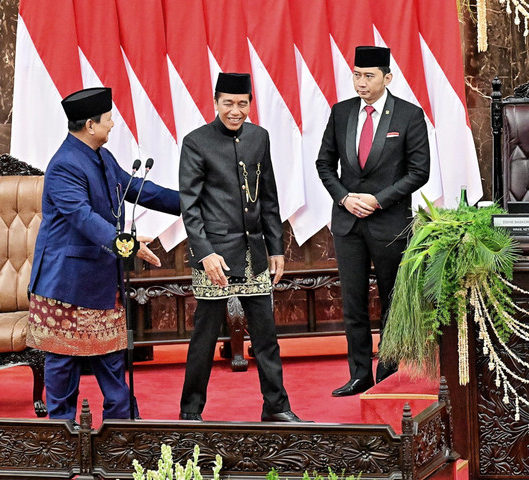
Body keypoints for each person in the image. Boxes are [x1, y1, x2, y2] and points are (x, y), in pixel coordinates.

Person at [27, 87, 180, 422]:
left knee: (113, 363)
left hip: (100, 281)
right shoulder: (64, 166)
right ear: (90, 125)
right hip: (65, 286)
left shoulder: (100, 155)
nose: (113, 125)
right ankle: (62, 442)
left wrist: (190, 202)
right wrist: (128, 245)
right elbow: (83, 218)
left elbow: (133, 188)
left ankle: (121, 435)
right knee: (63, 367)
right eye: (108, 119)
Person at [178, 72, 303, 422]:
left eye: (242, 103)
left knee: (266, 334)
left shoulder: (259, 137)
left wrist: (276, 247)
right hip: (214, 256)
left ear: (250, 103)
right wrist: (204, 253)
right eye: (229, 103)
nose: (236, 111)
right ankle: (190, 411)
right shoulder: (196, 142)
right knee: (204, 338)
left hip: (255, 252)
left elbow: (269, 195)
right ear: (215, 102)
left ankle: (277, 407)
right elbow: (190, 205)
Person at [316, 46, 430, 396]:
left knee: (392, 300)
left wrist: (378, 200)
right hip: (348, 222)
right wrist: (345, 197)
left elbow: (418, 172)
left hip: (390, 223)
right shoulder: (341, 113)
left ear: (387, 77)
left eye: (368, 76)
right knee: (353, 302)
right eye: (356, 75)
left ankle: (389, 373)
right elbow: (324, 164)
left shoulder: (409, 115)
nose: (360, 82)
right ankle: (359, 374)